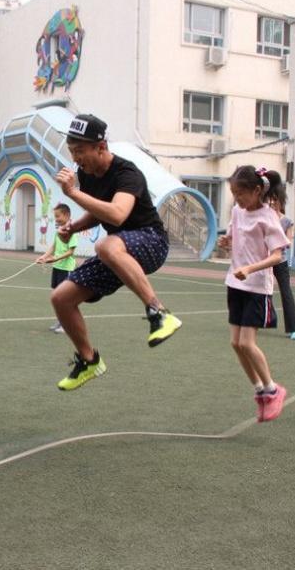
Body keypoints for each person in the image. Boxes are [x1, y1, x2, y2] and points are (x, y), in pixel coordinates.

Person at [50, 114, 182, 391]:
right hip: (118, 251)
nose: (75, 159)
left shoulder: (127, 173)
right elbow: (99, 211)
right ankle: (89, 360)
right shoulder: (86, 174)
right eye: (71, 151)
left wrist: (72, 193)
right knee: (61, 297)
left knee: (106, 245)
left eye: (80, 151)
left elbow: (118, 214)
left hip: (151, 242)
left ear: (101, 147)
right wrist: (74, 227)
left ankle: (159, 313)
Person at [217, 166, 291, 422]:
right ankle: (260, 391)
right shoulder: (237, 212)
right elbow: (233, 241)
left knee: (247, 342)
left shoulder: (269, 217)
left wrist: (250, 268)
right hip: (235, 283)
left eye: (241, 193)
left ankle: (273, 389)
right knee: (236, 343)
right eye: (234, 193)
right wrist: (226, 243)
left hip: (257, 287)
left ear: (257, 190)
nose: (237, 199)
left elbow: (277, 256)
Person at [36, 203, 78, 333]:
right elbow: (53, 248)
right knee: (57, 296)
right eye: (55, 217)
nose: (56, 219)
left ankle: (66, 324)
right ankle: (61, 321)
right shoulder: (58, 231)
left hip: (67, 269)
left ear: (66, 215)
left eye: (58, 216)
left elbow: (70, 252)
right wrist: (43, 257)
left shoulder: (72, 231)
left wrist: (55, 258)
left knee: (64, 297)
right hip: (57, 268)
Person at [269, 191, 295, 340]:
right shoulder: (263, 218)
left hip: (280, 261)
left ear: (281, 202)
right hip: (263, 262)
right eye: (270, 201)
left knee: (286, 292)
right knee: (260, 291)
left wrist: (278, 243)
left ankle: (293, 329)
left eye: (276, 201)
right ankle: (262, 319)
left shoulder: (287, 221)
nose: (273, 203)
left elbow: (289, 241)